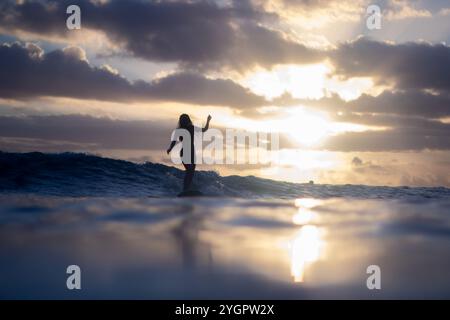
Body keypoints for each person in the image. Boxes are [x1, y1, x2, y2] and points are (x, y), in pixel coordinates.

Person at [167, 114, 211, 192]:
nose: (184, 121)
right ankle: (185, 189)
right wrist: (170, 148)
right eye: (182, 119)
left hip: (192, 152)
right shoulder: (179, 130)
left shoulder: (192, 128)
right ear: (181, 121)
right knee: (189, 171)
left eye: (185, 119)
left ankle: (187, 188)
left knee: (191, 172)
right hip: (184, 152)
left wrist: (208, 121)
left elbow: (204, 129)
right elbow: (173, 141)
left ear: (188, 120)